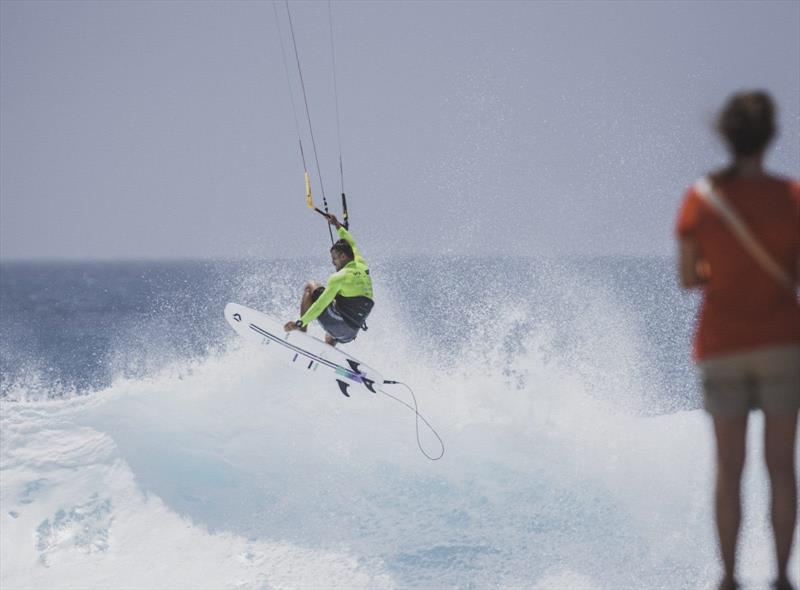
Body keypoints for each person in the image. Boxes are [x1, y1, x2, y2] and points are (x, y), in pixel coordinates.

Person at [676, 91, 800, 590]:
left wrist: (720, 268)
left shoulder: (700, 201)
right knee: (780, 467)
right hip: (780, 344)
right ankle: (781, 578)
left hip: (723, 346)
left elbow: (688, 278)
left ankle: (728, 579)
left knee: (729, 468)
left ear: (726, 137)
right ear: (770, 137)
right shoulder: (791, 198)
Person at [284, 213, 374, 346]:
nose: (333, 263)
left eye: (334, 259)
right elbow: (351, 243)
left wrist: (300, 323)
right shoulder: (362, 264)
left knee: (311, 286)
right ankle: (328, 350)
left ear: (343, 256)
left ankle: (301, 333)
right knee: (337, 306)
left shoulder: (339, 277)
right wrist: (337, 225)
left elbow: (321, 304)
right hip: (351, 333)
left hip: (341, 327)